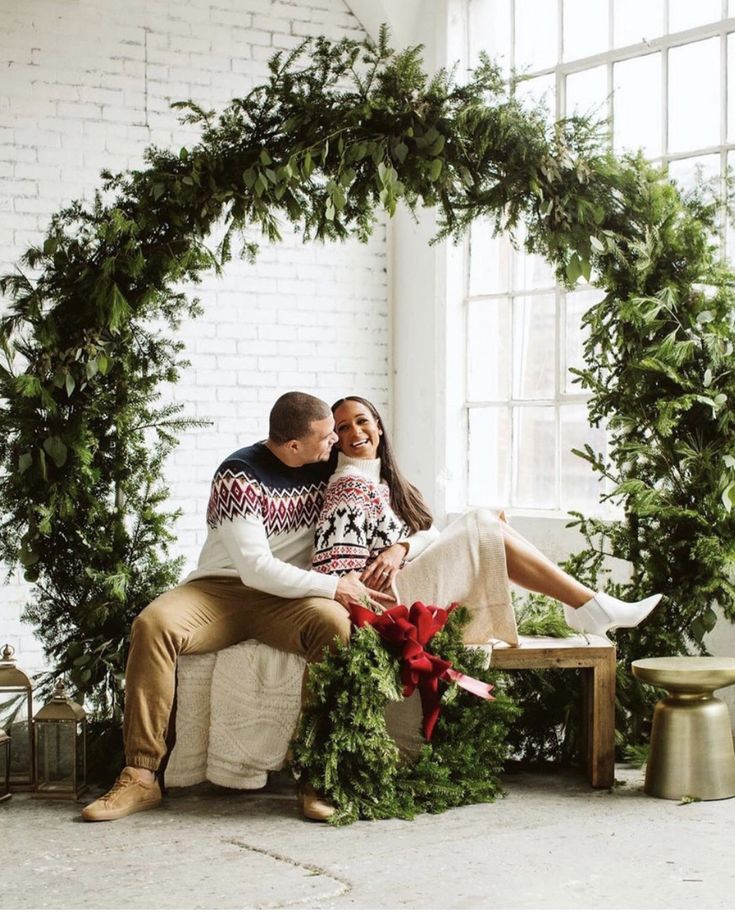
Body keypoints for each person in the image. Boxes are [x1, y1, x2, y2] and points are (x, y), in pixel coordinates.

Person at [81, 392, 392, 823]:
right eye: (326, 437)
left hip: (290, 601)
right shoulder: (239, 474)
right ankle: (141, 775)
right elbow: (256, 570)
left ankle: (317, 776)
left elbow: (405, 513)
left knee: (333, 626)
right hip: (220, 591)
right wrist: (334, 585)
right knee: (153, 624)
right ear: (293, 446)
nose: (335, 443)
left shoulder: (329, 468)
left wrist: (402, 547)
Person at [312, 396, 662, 643]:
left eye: (362, 421)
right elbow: (338, 576)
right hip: (389, 602)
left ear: (378, 427)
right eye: (343, 428)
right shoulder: (349, 487)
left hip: (406, 576)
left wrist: (400, 548)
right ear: (336, 441)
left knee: (489, 519)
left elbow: (429, 534)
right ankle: (589, 605)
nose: (355, 432)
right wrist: (382, 569)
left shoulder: (382, 482)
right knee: (482, 522)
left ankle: (586, 606)